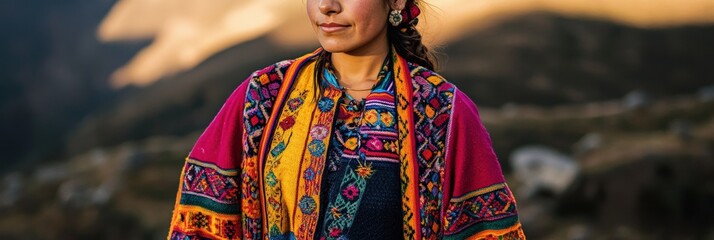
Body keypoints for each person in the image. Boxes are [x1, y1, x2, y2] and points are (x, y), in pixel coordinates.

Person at [167, 0, 525, 239]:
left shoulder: (442, 112)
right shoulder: (263, 95)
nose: (327, 5)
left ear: (397, 2)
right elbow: (200, 221)